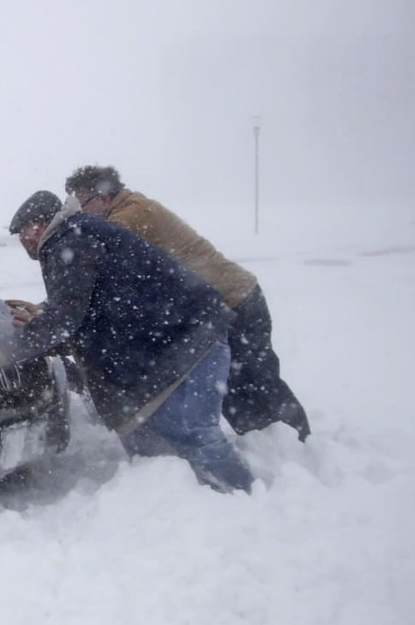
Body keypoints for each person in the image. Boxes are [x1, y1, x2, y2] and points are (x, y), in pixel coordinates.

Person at [0, 191, 254, 493]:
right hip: (170, 341)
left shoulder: (69, 241)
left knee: (195, 431)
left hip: (190, 337)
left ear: (36, 226)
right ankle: (178, 500)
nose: (22, 241)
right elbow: (84, 303)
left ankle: (245, 496)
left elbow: (68, 318)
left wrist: (4, 350)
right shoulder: (77, 233)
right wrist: (45, 314)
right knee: (151, 435)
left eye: (22, 233)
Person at [63, 165, 310, 442]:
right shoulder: (129, 209)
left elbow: (93, 264)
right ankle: (271, 445)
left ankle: (298, 443)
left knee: (258, 381)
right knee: (236, 387)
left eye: (80, 204)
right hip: (221, 305)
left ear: (103, 198)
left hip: (236, 300)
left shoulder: (132, 215)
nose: (79, 213)